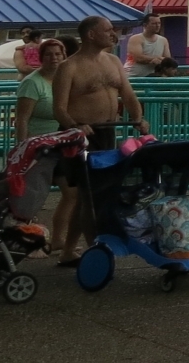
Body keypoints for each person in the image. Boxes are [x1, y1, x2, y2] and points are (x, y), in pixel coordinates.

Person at [51, 16, 150, 262]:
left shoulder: (113, 61)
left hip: (107, 132)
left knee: (91, 196)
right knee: (90, 196)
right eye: (107, 30)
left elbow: (128, 95)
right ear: (91, 35)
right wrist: (75, 126)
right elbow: (59, 109)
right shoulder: (69, 67)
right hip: (80, 137)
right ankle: (97, 250)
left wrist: (138, 119)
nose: (113, 34)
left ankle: (68, 251)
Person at [14, 37, 72, 252]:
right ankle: (26, 242)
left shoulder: (65, 80)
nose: (54, 58)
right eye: (48, 54)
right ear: (41, 58)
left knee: (71, 192)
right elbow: (22, 119)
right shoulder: (32, 82)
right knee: (33, 196)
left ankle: (57, 239)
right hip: (38, 147)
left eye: (58, 54)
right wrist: (22, 149)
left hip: (61, 145)